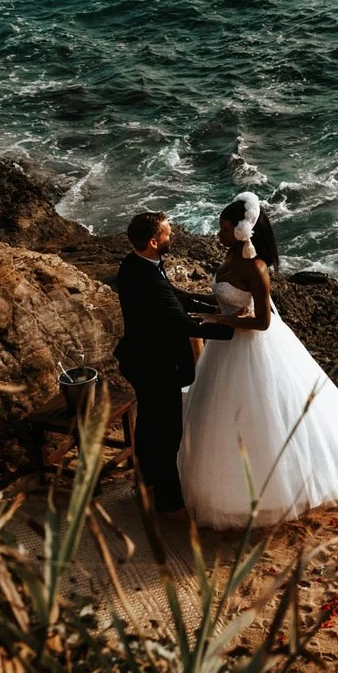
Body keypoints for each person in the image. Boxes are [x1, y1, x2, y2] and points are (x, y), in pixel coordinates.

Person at [179, 191, 338, 528]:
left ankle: (277, 493)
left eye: (225, 229)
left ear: (243, 231)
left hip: (252, 346)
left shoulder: (256, 268)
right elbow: (224, 300)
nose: (219, 235)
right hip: (224, 345)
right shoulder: (229, 255)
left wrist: (223, 320)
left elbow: (262, 321)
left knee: (264, 414)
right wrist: (205, 309)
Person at [113, 210, 235, 520]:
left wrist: (205, 302)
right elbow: (177, 321)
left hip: (138, 359)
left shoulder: (136, 264)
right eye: (168, 233)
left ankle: (147, 479)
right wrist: (230, 329)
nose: (173, 235)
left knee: (149, 423)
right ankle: (168, 504)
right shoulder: (146, 276)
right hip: (155, 365)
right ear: (154, 241)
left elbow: (171, 296)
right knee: (167, 432)